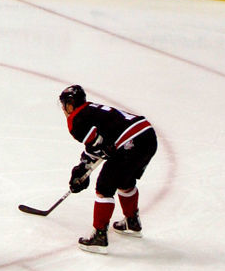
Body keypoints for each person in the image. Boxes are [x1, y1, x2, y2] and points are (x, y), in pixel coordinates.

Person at [59, 84, 157, 253]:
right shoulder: (90, 109)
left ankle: (99, 236)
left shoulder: (76, 120)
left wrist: (82, 170)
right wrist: (83, 168)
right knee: (124, 179)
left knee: (104, 186)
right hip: (148, 136)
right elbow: (101, 145)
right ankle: (132, 222)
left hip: (131, 142)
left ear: (69, 105)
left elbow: (97, 146)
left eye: (63, 106)